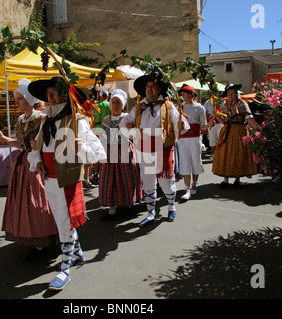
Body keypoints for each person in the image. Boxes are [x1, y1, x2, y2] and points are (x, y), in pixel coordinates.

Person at [27, 76, 106, 290]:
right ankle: (77, 253)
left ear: (65, 95)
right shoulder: (45, 121)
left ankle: (64, 269)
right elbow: (36, 150)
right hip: (49, 181)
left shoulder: (78, 120)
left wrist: (81, 148)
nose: (50, 97)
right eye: (48, 94)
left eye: (54, 93)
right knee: (62, 222)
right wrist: (37, 162)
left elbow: (99, 153)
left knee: (64, 224)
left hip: (68, 181)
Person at [0, 79, 59, 259]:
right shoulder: (21, 119)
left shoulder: (42, 117)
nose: (17, 102)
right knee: (25, 204)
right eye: (16, 99)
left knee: (40, 202)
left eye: (20, 99)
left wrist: (40, 144)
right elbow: (21, 144)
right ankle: (33, 238)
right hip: (23, 164)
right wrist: (5, 139)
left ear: (30, 100)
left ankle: (49, 236)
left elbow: (50, 140)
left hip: (38, 163)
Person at [119, 73, 188, 227]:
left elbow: (181, 125)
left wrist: (180, 127)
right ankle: (151, 213)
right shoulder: (138, 108)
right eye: (148, 86)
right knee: (148, 183)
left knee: (166, 182)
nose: (150, 89)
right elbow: (123, 124)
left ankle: (171, 206)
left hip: (162, 149)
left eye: (153, 86)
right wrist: (134, 131)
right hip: (143, 150)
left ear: (159, 89)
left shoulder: (169, 107)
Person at [99, 89, 142, 218]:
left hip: (125, 151)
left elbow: (135, 135)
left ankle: (129, 204)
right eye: (113, 102)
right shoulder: (106, 120)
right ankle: (112, 208)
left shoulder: (127, 118)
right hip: (109, 152)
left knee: (126, 178)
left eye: (118, 102)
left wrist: (132, 129)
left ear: (122, 105)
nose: (115, 105)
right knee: (109, 180)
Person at [212, 84, 258, 186]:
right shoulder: (225, 105)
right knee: (226, 154)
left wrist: (257, 129)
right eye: (229, 94)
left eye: (232, 93)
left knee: (238, 153)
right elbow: (224, 122)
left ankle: (237, 179)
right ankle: (225, 180)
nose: (231, 96)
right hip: (227, 131)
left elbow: (249, 118)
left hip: (239, 131)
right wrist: (216, 115)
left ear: (236, 94)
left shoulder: (242, 104)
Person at [176, 84, 209, 200]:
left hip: (195, 139)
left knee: (195, 162)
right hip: (183, 140)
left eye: (184, 94)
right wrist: (178, 126)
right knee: (185, 162)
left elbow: (203, 125)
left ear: (190, 95)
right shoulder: (179, 108)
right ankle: (187, 188)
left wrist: (209, 124)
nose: (182, 96)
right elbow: (175, 124)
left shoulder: (200, 108)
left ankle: (194, 184)